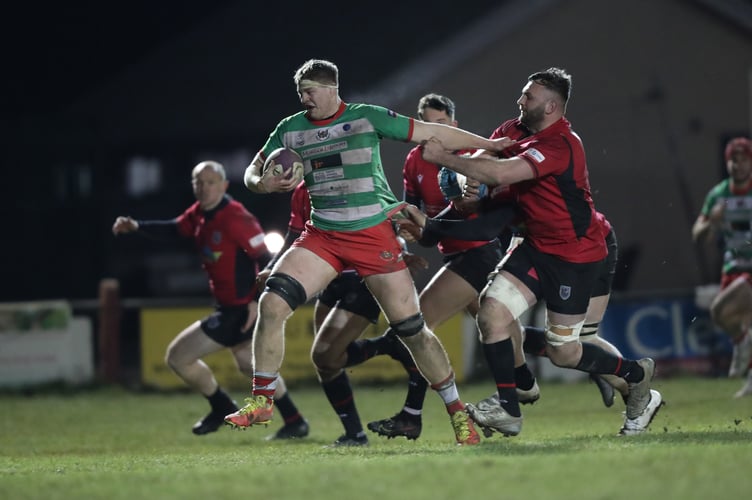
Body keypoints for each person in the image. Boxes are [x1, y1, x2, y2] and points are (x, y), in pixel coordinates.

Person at [224, 58, 510, 445]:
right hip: (323, 235)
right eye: (300, 94)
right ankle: (262, 399)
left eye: (309, 92)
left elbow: (431, 131)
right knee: (273, 302)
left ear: (330, 88)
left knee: (412, 330)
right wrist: (263, 184)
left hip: (372, 236)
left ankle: (457, 412)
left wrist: (490, 145)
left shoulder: (367, 118)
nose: (304, 99)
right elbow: (252, 171)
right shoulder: (290, 129)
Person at [418, 67, 662, 437]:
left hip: (574, 255)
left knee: (566, 350)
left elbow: (499, 175)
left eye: (528, 96)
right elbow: (485, 165)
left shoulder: (561, 145)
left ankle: (634, 375)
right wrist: (467, 186)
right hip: (535, 245)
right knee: (492, 313)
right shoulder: (511, 129)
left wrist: (446, 160)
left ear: (551, 106)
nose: (520, 100)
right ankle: (509, 407)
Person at [112, 160, 308, 438]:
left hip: (239, 309)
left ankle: (221, 405)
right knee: (248, 364)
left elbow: (267, 260)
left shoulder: (236, 218)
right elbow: (174, 228)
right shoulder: (199, 214)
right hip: (230, 307)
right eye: (198, 183)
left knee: (178, 357)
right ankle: (295, 420)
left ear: (224, 185)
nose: (204, 188)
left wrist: (255, 301)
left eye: (210, 182)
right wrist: (136, 226)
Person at [259, 181, 425, 446]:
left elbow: (390, 219)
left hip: (364, 277)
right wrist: (273, 267)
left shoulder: (355, 177)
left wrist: (402, 253)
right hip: (330, 278)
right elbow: (295, 235)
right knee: (326, 362)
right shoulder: (304, 190)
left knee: (325, 355)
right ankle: (355, 433)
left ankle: (385, 347)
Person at [692, 136, 752, 398]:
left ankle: (742, 345)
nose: (738, 165)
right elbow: (698, 234)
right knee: (729, 319)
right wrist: (711, 223)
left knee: (718, 310)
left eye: (743, 160)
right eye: (733, 160)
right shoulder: (719, 195)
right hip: (733, 267)